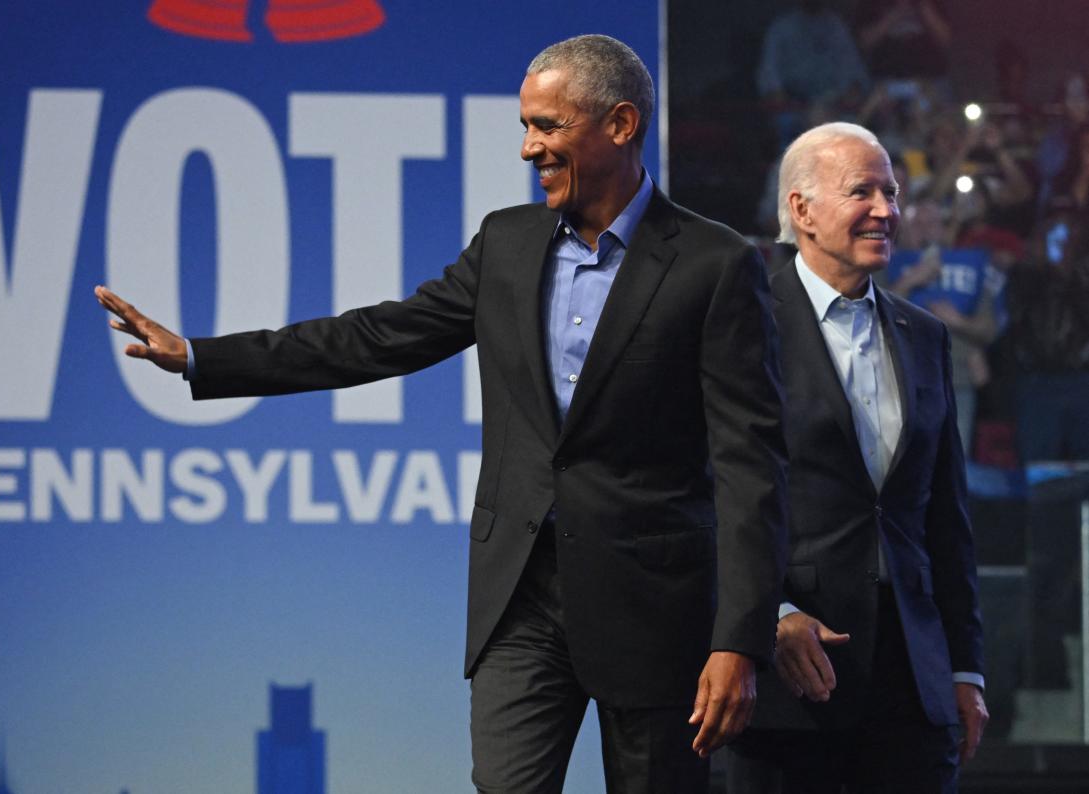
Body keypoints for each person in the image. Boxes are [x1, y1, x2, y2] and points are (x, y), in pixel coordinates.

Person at [96, 34, 789, 793]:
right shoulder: (506, 244)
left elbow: (749, 467)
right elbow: (374, 339)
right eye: (525, 127)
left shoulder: (714, 264)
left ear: (620, 125)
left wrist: (739, 642)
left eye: (547, 127)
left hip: (654, 610)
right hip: (519, 599)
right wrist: (200, 355)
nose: (529, 148)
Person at [726, 123, 987, 793]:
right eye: (861, 191)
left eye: (890, 192)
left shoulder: (924, 335)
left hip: (913, 685)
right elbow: (709, 497)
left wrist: (963, 669)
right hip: (789, 682)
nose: (885, 210)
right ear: (800, 209)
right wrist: (771, 617)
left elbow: (945, 520)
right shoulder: (740, 326)